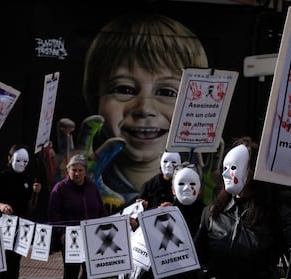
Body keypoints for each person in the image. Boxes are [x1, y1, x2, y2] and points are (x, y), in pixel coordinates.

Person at [82, 13, 209, 213]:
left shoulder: (200, 184)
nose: (144, 109)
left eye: (167, 92)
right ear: (95, 98)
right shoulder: (85, 179)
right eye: (124, 89)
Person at [194, 136, 291, 279]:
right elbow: (195, 261)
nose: (225, 173)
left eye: (233, 168)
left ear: (252, 171)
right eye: (224, 168)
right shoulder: (212, 213)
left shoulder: (276, 214)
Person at [0, 144, 42, 279]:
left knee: (15, 264)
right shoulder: (1, 177)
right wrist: (0, 205)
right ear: (10, 159)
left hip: (21, 228)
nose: (22, 164)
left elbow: (31, 208)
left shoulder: (28, 180)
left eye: (25, 161)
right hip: (4, 226)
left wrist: (35, 193)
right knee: (5, 263)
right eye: (18, 160)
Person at [48, 154, 109, 279]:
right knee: (71, 272)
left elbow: (101, 210)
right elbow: (54, 214)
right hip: (71, 238)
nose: (77, 173)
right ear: (68, 170)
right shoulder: (60, 188)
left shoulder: (92, 187)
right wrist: (61, 233)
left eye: (80, 170)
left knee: (91, 271)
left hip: (92, 236)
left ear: (85, 171)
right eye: (73, 170)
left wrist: (106, 228)